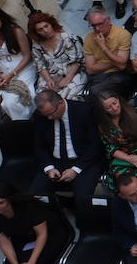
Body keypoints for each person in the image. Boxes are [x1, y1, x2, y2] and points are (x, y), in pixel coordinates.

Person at [31, 88, 104, 221]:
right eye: (46, 115)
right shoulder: (40, 116)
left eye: (51, 114)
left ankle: (83, 226)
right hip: (55, 161)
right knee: (35, 194)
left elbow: (95, 146)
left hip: (84, 161)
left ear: (60, 103)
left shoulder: (84, 111)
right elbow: (40, 146)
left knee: (83, 199)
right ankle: (55, 223)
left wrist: (76, 170)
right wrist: (49, 167)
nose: (49, 118)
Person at [0, 5, 35, 127]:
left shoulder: (16, 31)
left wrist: (12, 75)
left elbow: (27, 56)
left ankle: (23, 125)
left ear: (1, 19)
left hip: (22, 67)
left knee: (9, 103)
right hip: (2, 69)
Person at [96, 88, 137, 193]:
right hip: (123, 158)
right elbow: (111, 149)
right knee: (121, 181)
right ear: (103, 110)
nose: (114, 108)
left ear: (118, 100)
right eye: (109, 107)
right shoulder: (103, 125)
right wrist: (130, 159)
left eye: (115, 103)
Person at [28, 12, 87, 100]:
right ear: (36, 33)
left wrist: (67, 79)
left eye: (46, 26)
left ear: (51, 24)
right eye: (40, 29)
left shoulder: (66, 38)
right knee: (42, 99)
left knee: (65, 98)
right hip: (50, 75)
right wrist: (48, 80)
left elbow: (77, 61)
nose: (45, 31)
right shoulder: (37, 44)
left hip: (72, 73)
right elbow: (40, 65)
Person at [82, 5, 133, 96]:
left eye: (100, 24)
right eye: (93, 26)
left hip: (119, 74)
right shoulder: (89, 39)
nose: (97, 29)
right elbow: (90, 69)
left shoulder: (122, 35)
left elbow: (122, 66)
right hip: (99, 76)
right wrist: (115, 62)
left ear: (108, 20)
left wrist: (103, 47)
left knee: (95, 92)